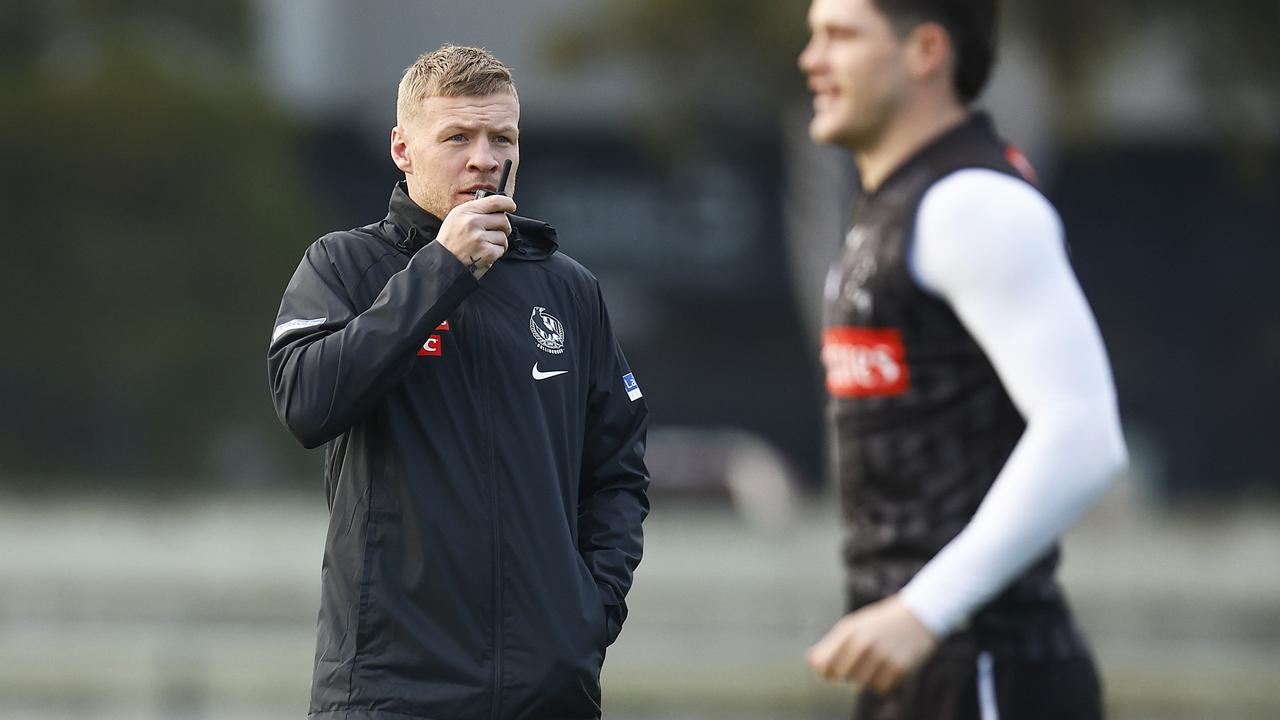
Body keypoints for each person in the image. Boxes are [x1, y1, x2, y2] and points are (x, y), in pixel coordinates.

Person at [267, 45, 649, 720]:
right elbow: (305, 402)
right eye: (457, 137)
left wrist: (588, 614)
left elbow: (618, 470)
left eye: (502, 137)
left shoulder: (569, 289)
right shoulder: (343, 266)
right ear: (402, 150)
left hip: (548, 691)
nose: (484, 157)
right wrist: (442, 269)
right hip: (390, 690)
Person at [797, 1, 1128, 718]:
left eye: (841, 36)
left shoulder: (972, 205)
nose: (810, 59)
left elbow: (1084, 434)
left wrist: (923, 610)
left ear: (925, 52)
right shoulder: (891, 206)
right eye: (812, 35)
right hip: (921, 668)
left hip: (985, 668)